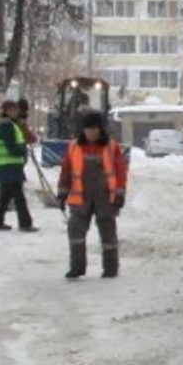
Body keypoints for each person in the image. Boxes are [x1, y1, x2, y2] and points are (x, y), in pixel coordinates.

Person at [57, 109, 128, 279]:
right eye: (87, 129)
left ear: (100, 129)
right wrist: (62, 194)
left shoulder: (111, 147)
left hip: (105, 198)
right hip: (80, 198)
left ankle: (111, 268)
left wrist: (119, 194)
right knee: (75, 234)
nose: (89, 132)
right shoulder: (74, 147)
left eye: (93, 129)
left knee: (108, 236)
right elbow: (66, 171)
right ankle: (77, 267)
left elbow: (120, 172)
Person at [0, 99, 38, 232]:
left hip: (5, 165)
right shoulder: (7, 125)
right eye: (13, 110)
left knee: (5, 196)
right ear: (6, 111)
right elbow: (11, 146)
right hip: (10, 164)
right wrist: (22, 150)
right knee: (18, 196)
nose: (16, 112)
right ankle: (25, 223)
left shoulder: (4, 124)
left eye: (16, 110)